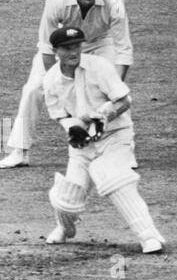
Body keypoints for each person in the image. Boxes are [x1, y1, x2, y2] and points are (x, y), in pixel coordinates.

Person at [42, 26, 165, 254]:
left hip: (115, 136)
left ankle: (149, 237)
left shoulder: (99, 67)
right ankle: (64, 228)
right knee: (67, 197)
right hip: (82, 145)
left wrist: (104, 117)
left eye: (77, 46)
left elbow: (124, 100)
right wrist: (75, 129)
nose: (73, 52)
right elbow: (60, 115)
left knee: (114, 179)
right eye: (67, 48)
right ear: (56, 51)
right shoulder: (50, 80)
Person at [0, 0, 136, 169]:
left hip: (102, 43)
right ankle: (19, 150)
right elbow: (47, 47)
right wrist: (56, 83)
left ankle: (123, 152)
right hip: (64, 46)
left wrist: (114, 90)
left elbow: (123, 49)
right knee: (32, 89)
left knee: (115, 94)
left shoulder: (114, 2)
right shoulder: (56, 1)